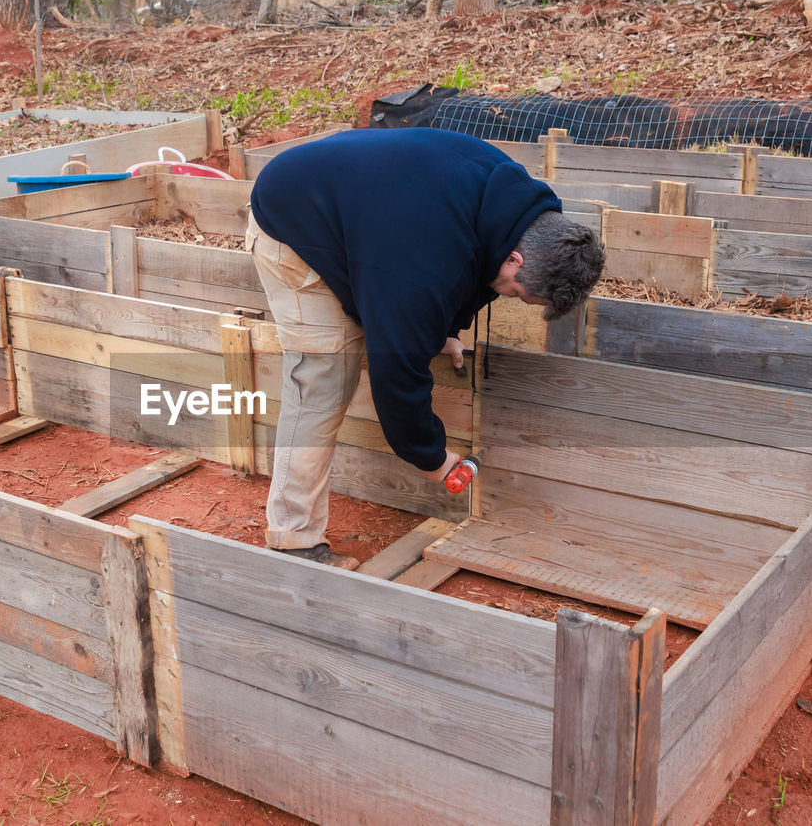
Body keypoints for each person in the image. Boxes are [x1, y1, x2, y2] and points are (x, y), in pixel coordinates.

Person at [246, 127, 604, 569]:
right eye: (515, 292)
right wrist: (431, 457)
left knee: (396, 316)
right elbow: (395, 375)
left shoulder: (517, 212)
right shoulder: (421, 260)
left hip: (365, 213)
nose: (509, 295)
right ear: (517, 259)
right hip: (293, 220)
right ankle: (294, 541)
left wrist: (448, 325)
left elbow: (467, 264)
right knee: (323, 380)